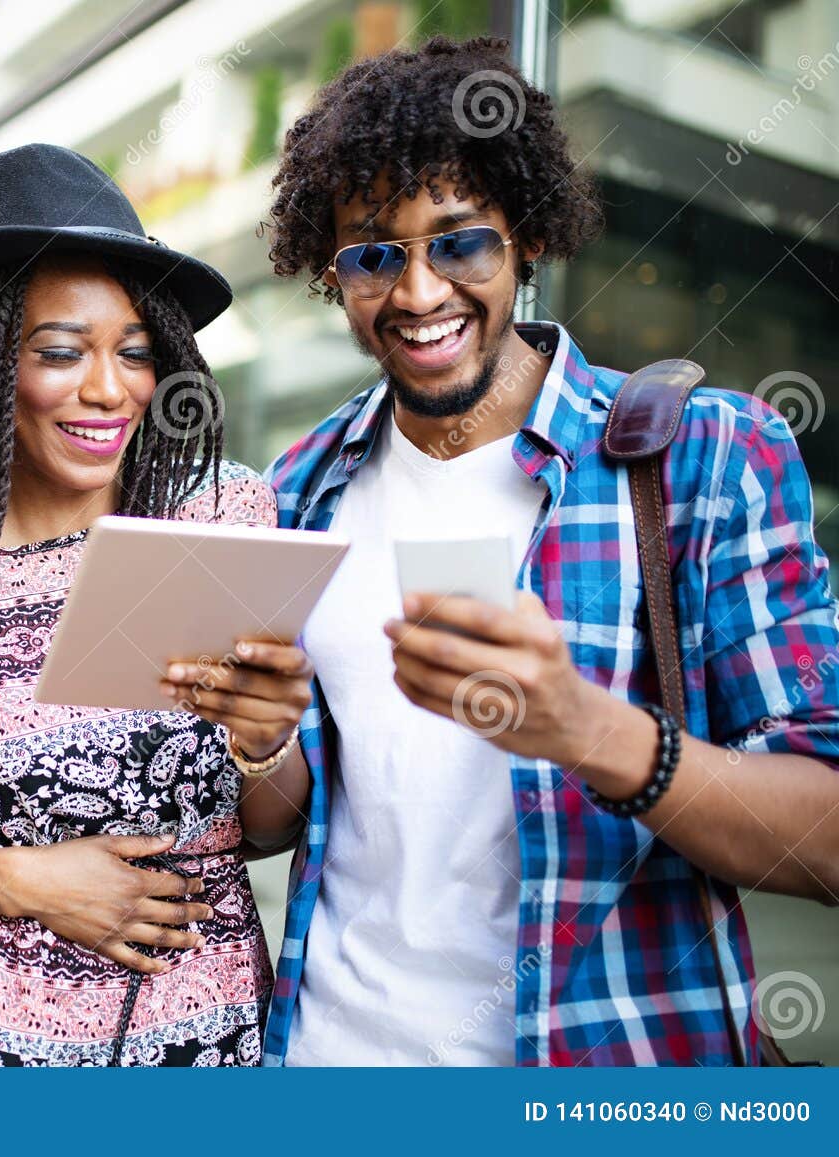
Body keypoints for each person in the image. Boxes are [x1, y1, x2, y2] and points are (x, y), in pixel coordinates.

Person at [174, 36, 839, 1066]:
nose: (418, 292)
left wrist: (589, 730)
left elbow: (826, 839)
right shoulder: (300, 487)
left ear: (526, 237)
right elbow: (279, 822)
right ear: (330, 272)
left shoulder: (703, 456)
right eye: (371, 254)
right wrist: (260, 741)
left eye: (459, 242)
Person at [0, 144, 312, 1066]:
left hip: (210, 1043)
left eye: (135, 354)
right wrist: (21, 880)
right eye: (62, 352)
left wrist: (266, 740)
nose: (109, 390)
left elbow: (270, 828)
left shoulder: (222, 518)